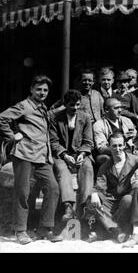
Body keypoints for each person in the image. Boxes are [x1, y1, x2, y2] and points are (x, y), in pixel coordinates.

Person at [0, 75, 62, 244]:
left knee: (53, 188)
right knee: (23, 193)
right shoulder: (24, 105)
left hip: (42, 156)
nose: (42, 93)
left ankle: (45, 228)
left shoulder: (42, 107)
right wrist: (12, 136)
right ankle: (20, 230)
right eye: (39, 89)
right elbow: (2, 117)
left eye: (45, 90)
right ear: (31, 90)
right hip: (24, 154)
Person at [85, 132, 138, 243]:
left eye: (120, 145)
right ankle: (116, 230)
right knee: (91, 200)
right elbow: (100, 185)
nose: (117, 149)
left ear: (125, 145)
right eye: (114, 146)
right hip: (111, 200)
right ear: (109, 147)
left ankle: (109, 228)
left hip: (127, 199)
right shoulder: (106, 166)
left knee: (128, 199)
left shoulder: (136, 162)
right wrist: (94, 193)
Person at [49, 89, 94, 221]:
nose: (75, 108)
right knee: (62, 170)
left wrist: (82, 153)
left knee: (88, 168)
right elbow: (54, 141)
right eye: (72, 105)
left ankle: (86, 206)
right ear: (65, 104)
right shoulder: (55, 118)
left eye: (78, 105)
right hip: (61, 154)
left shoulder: (85, 117)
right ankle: (68, 206)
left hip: (80, 153)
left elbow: (88, 141)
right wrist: (64, 155)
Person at [93, 98, 138, 166]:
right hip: (111, 155)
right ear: (107, 110)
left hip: (129, 153)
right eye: (116, 108)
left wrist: (135, 147)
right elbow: (102, 148)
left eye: (120, 107)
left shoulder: (127, 121)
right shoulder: (99, 125)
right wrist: (122, 140)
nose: (120, 110)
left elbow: (137, 138)